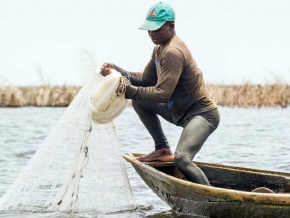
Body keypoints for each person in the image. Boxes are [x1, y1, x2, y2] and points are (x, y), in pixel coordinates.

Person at [101, 2, 220, 186]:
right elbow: (145, 79)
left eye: (156, 29)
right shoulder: (159, 48)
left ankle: (212, 199)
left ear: (171, 26)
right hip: (178, 111)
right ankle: (162, 148)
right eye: (149, 29)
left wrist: (129, 90)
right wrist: (116, 70)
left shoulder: (173, 51)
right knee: (139, 100)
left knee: (182, 159)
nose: (151, 34)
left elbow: (162, 94)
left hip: (201, 115)